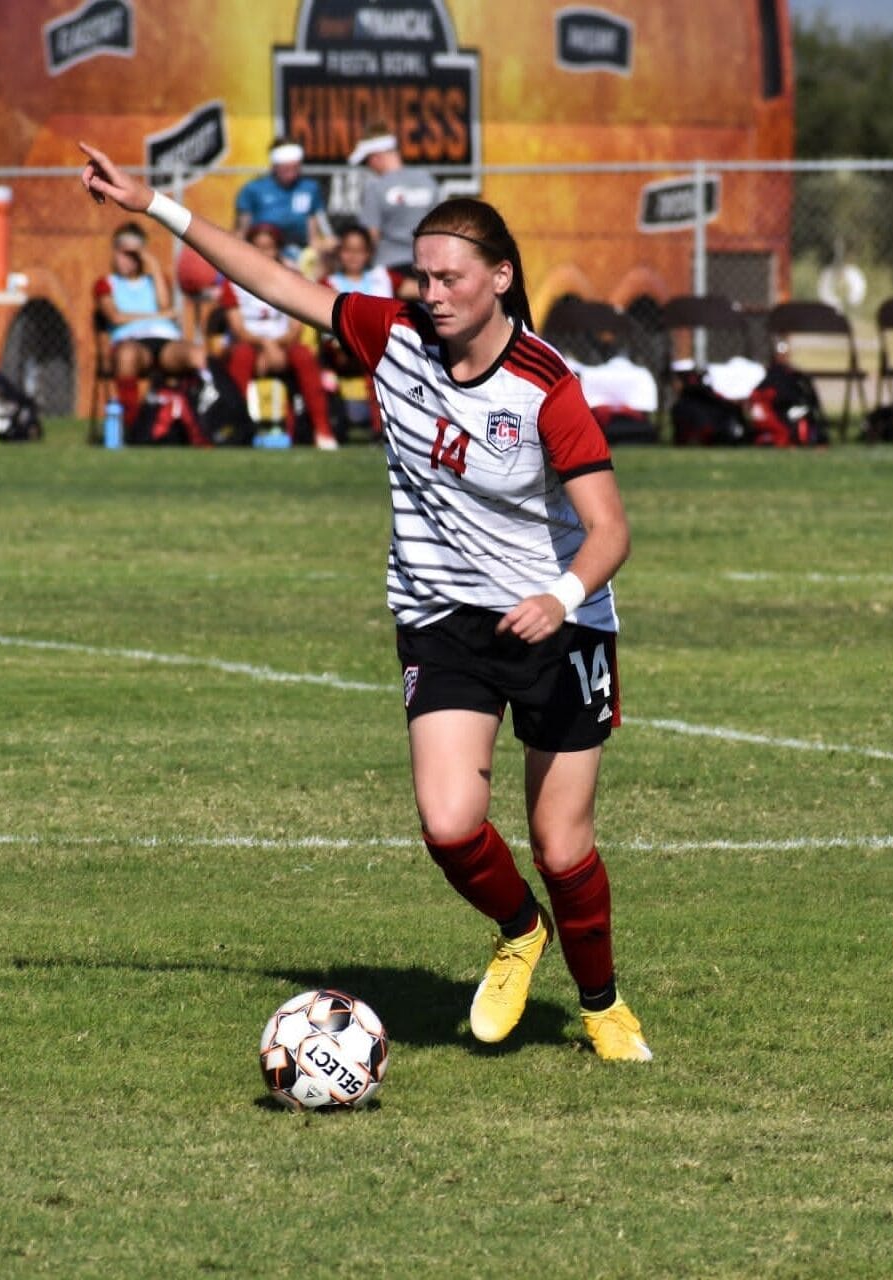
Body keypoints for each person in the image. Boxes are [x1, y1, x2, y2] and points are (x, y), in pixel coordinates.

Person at [81, 140, 652, 1063]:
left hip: (558, 620)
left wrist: (560, 594)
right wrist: (158, 205)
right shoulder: (390, 335)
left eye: (450, 277)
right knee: (448, 822)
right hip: (441, 612)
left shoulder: (547, 387)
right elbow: (273, 278)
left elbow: (611, 531)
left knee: (560, 842)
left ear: (500, 278)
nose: (430, 292)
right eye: (420, 276)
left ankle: (602, 1004)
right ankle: (519, 933)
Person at [218, 223, 339, 450]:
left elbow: (295, 328)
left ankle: (322, 430)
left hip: (282, 346)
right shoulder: (232, 281)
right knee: (242, 356)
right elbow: (238, 329)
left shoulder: (291, 277)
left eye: (270, 247)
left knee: (303, 356)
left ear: (278, 249)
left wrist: (275, 347)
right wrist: (265, 345)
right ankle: (238, 428)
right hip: (250, 345)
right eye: (259, 247)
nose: (265, 253)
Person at [93, 220, 214, 431]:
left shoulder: (153, 281)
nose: (128, 261)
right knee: (126, 356)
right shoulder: (107, 283)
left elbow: (166, 305)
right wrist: (157, 315)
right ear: (114, 252)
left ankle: (200, 423)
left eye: (133, 255)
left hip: (164, 340)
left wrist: (154, 266)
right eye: (124, 253)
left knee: (196, 354)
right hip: (131, 341)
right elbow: (115, 317)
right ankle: (131, 427)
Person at [319, 223, 417, 440]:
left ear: (369, 253)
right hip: (343, 350)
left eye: (359, 251)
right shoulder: (329, 282)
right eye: (347, 250)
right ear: (339, 253)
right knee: (375, 357)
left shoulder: (383, 277)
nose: (353, 257)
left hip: (383, 346)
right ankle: (379, 428)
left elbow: (421, 291)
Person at [234, 137, 338, 275]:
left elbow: (313, 233)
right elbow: (241, 232)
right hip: (263, 255)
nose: (292, 173)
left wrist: (320, 248)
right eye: (286, 168)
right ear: (275, 166)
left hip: (299, 255)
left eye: (295, 167)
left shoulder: (309, 188)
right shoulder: (253, 189)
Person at [348, 122, 439, 274]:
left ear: (376, 157)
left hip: (389, 268)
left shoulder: (375, 187)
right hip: (426, 265)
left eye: (367, 161)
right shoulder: (427, 180)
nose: (369, 166)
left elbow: (372, 235)